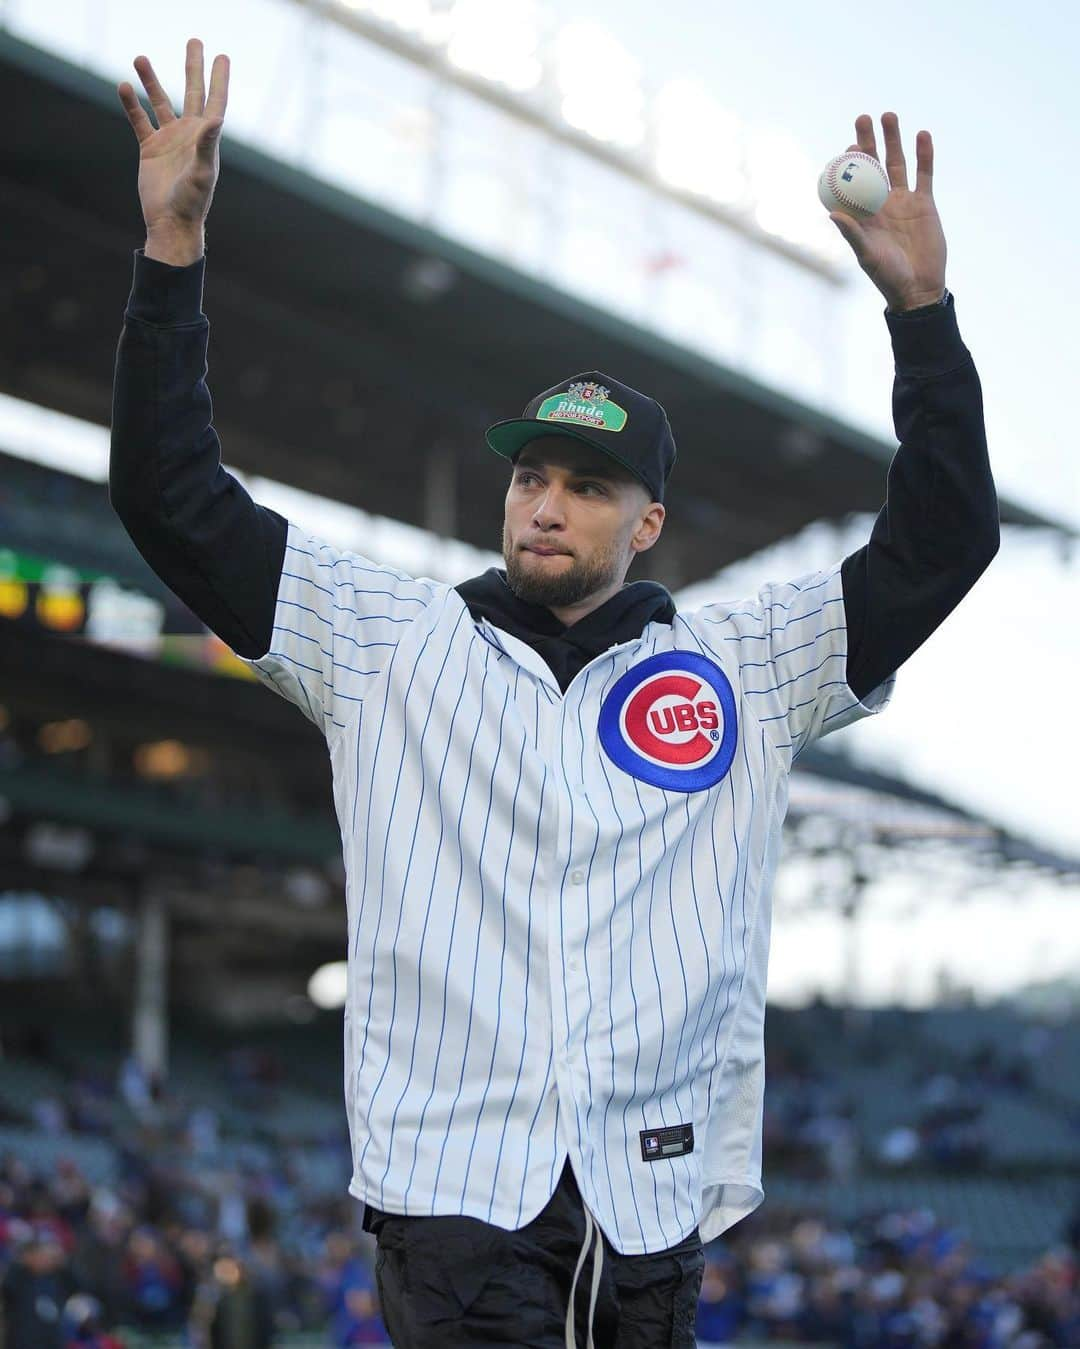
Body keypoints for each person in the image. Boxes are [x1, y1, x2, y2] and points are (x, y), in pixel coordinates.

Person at [111, 38, 998, 1349]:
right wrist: (172, 258)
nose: (547, 500)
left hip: (655, 1194)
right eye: (533, 473)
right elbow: (173, 498)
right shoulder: (389, 639)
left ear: (647, 524)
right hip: (455, 1198)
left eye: (588, 484)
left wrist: (922, 319)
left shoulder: (745, 662)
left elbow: (941, 540)